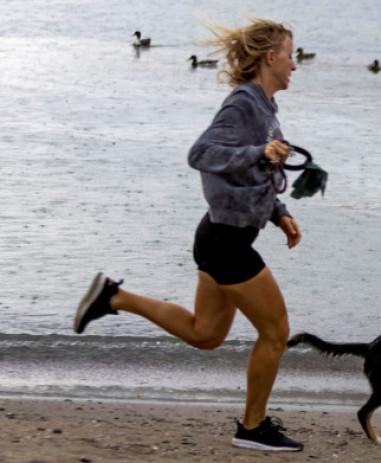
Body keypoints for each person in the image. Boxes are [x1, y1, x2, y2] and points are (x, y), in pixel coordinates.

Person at [74, 17, 304, 452]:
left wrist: (279, 213)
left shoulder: (267, 108)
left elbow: (253, 172)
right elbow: (201, 153)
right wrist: (260, 151)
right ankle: (253, 429)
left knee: (206, 334)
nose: (295, 65)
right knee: (276, 331)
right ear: (270, 57)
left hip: (221, 235)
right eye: (291, 56)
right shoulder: (243, 103)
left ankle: (114, 297)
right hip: (226, 243)